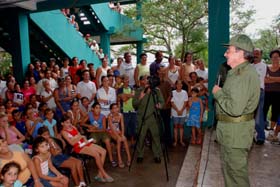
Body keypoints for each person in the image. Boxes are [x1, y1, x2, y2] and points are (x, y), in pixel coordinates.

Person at [212, 34, 260, 187]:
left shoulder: (243, 75)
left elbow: (234, 108)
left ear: (240, 53)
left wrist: (217, 92)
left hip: (236, 134)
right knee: (231, 175)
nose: (226, 54)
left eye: (229, 50)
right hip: (232, 133)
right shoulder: (237, 72)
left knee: (237, 177)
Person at [60, 115, 114, 183]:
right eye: (67, 123)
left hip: (84, 143)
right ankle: (104, 174)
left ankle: (99, 174)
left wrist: (87, 140)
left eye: (70, 122)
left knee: (103, 151)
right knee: (96, 154)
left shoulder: (73, 127)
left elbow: (82, 137)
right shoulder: (63, 132)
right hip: (78, 147)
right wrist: (80, 137)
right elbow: (72, 143)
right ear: (62, 123)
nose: (69, 124)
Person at [132, 76, 164, 163]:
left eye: (148, 79)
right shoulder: (139, 91)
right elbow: (134, 105)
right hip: (142, 118)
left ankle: (157, 155)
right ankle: (140, 154)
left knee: (155, 137)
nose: (146, 81)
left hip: (153, 118)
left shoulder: (156, 91)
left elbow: (162, 101)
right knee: (141, 137)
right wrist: (141, 97)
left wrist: (160, 105)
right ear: (141, 81)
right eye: (144, 79)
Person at [81, 102, 116, 167]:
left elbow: (104, 129)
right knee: (94, 141)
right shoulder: (90, 115)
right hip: (94, 132)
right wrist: (88, 125)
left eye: (99, 108)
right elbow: (81, 123)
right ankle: (96, 158)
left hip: (102, 132)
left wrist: (93, 129)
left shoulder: (103, 116)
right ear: (93, 109)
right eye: (97, 108)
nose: (98, 110)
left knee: (107, 141)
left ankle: (111, 159)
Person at [107, 103, 131, 168]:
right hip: (110, 131)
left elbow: (122, 125)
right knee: (119, 140)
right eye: (114, 108)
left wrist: (122, 134)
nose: (116, 109)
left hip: (117, 130)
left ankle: (129, 158)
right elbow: (111, 127)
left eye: (117, 107)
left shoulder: (121, 115)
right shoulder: (110, 116)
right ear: (111, 110)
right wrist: (118, 136)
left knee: (125, 139)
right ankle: (119, 160)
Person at [252, 48, 267, 145]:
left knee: (258, 115)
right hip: (249, 93)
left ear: (261, 55)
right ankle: (250, 135)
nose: (256, 55)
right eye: (254, 53)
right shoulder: (249, 66)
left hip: (259, 92)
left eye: (257, 53)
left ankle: (261, 137)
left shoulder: (264, 66)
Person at [171, 80, 188, 146]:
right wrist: (178, 110)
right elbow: (172, 103)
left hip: (182, 112)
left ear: (182, 85)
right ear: (176, 85)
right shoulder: (172, 92)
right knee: (175, 126)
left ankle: (181, 140)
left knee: (181, 126)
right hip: (175, 112)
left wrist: (181, 110)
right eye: (178, 84)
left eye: (181, 84)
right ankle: (175, 141)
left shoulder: (184, 92)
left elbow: (185, 102)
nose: (179, 85)